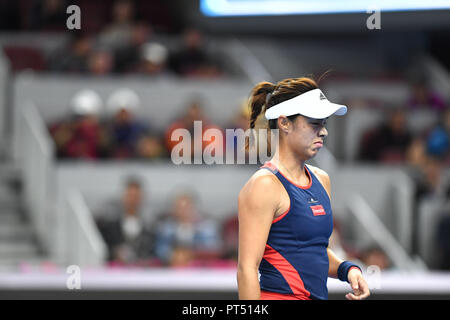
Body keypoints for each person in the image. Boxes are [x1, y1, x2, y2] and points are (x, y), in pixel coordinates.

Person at [237, 77, 370, 300]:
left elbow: (313, 252)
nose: (323, 132)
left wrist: (348, 270)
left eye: (324, 123)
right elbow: (247, 269)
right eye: (313, 122)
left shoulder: (321, 179)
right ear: (284, 123)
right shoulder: (264, 185)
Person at [95, 177, 156, 265]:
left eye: (136, 196)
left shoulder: (150, 227)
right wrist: (115, 253)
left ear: (142, 198)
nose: (133, 200)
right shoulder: (109, 226)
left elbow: (151, 253)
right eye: (130, 196)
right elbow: (104, 249)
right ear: (124, 196)